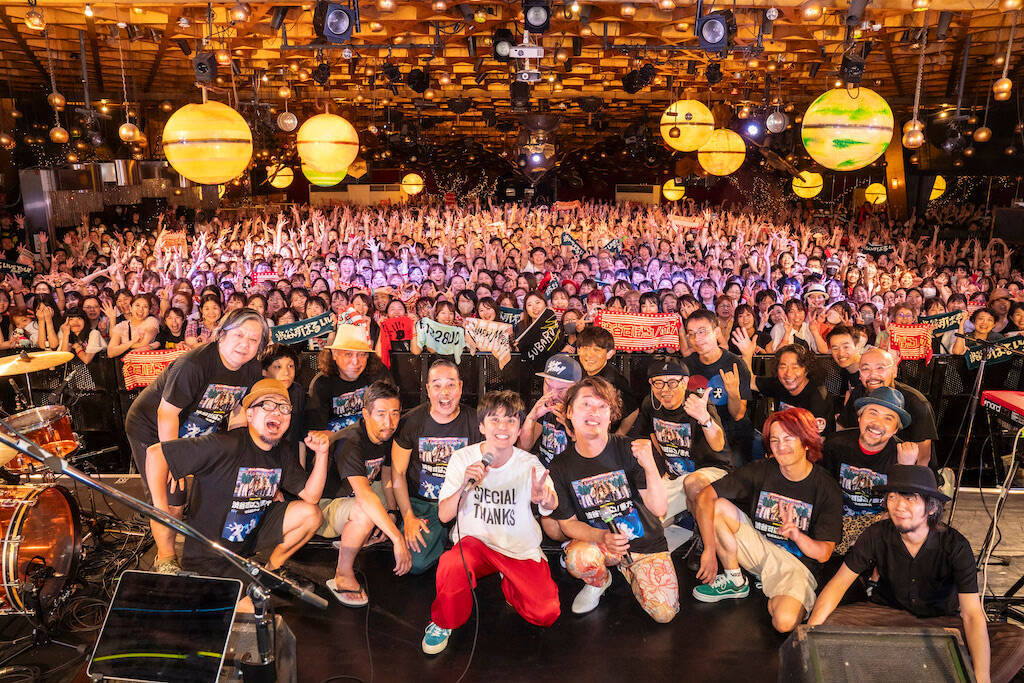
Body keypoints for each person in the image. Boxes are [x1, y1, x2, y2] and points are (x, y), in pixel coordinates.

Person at [808, 465, 1024, 683]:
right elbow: (838, 584)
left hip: (941, 625)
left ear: (931, 508)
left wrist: (982, 677)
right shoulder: (876, 534)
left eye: (910, 498)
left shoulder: (955, 546)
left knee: (1015, 640)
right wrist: (809, 636)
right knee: (829, 623)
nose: (899, 506)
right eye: (892, 497)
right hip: (885, 617)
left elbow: (971, 614)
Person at [144, 379, 330, 606]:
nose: (277, 412)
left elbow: (311, 496)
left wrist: (322, 454)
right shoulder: (225, 445)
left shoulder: (282, 451)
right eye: (267, 405)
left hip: (248, 544)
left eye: (284, 407)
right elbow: (156, 454)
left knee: (311, 514)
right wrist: (160, 507)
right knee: (248, 613)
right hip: (210, 557)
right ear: (250, 414)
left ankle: (270, 571)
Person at [124, 308, 269, 573]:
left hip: (194, 430)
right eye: (239, 335)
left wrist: (238, 450)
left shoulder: (251, 369)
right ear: (222, 334)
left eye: (253, 339)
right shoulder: (194, 364)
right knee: (169, 498)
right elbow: (167, 413)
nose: (245, 344)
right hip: (153, 427)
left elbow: (239, 411)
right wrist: (173, 460)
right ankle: (165, 558)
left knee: (193, 495)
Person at [421, 391, 561, 655]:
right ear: (482, 426)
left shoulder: (529, 464)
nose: (502, 427)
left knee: (546, 613)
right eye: (494, 419)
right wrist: (465, 486)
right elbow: (444, 516)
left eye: (510, 420)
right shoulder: (463, 458)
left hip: (517, 547)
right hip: (476, 544)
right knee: (451, 564)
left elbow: (551, 502)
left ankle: (510, 583)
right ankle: (443, 621)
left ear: (519, 429)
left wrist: (543, 497)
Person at [692, 407, 842, 633]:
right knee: (718, 506)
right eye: (774, 440)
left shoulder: (826, 488)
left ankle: (776, 587)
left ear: (806, 442)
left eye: (789, 438)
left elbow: (823, 554)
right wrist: (709, 549)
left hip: (796, 566)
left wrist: (797, 535)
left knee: (784, 622)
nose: (780, 446)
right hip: (759, 550)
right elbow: (705, 496)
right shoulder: (761, 470)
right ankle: (735, 580)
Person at [547, 376, 678, 623]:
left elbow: (659, 507)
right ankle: (599, 581)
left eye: (602, 406)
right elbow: (568, 524)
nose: (594, 412)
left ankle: (632, 571)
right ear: (570, 412)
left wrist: (650, 465)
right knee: (577, 558)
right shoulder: (560, 466)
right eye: (586, 404)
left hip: (644, 544)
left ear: (611, 415)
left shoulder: (629, 449)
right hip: (600, 543)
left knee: (664, 615)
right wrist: (602, 537)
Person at [320, 381, 411, 607]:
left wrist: (392, 512)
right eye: (381, 414)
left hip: (355, 495)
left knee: (395, 491)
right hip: (326, 506)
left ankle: (357, 537)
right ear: (365, 413)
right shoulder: (350, 440)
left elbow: (387, 474)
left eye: (394, 413)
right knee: (366, 511)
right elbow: (363, 495)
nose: (389, 422)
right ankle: (342, 573)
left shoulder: (385, 435)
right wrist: (397, 538)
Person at [391, 359, 481, 574]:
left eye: (451, 384)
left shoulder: (477, 421)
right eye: (437, 385)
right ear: (428, 389)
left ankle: (450, 539)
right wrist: (408, 516)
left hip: (464, 501)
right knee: (416, 561)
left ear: (460, 387)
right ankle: (443, 538)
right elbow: (398, 473)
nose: (445, 393)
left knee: (482, 556)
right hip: (424, 505)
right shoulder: (411, 422)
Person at [629, 358, 729, 531]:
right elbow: (652, 438)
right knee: (644, 526)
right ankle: (681, 513)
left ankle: (702, 537)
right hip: (675, 477)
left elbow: (718, 445)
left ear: (685, 382)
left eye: (672, 382)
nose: (665, 389)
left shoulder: (697, 403)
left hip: (711, 471)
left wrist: (704, 418)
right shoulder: (650, 403)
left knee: (693, 483)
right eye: (658, 383)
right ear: (651, 384)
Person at [823, 386, 920, 554]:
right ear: (859, 417)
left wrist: (906, 469)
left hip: (881, 525)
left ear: (895, 429)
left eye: (888, 418)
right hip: (838, 520)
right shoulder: (835, 445)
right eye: (872, 413)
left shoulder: (902, 455)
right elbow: (821, 490)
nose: (877, 423)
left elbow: (909, 507)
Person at [837, 347, 938, 467]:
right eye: (865, 369)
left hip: (905, 468)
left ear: (894, 371)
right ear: (860, 374)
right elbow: (842, 428)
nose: (873, 375)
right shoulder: (859, 392)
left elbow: (923, 458)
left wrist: (909, 474)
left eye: (880, 368)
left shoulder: (917, 403)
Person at [684, 310, 753, 465]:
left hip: (733, 434)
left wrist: (733, 393)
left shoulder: (735, 364)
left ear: (716, 332)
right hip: (700, 433)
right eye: (692, 334)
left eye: (702, 332)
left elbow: (738, 415)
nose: (697, 339)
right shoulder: (686, 365)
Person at [731, 337, 835, 434]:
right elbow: (750, 382)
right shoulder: (780, 384)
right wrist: (747, 355)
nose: (788, 373)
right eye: (783, 367)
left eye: (795, 367)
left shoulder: (819, 397)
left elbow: (818, 440)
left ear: (806, 370)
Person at [306, 323, 391, 432]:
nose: (355, 362)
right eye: (348, 354)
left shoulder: (378, 373)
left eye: (361, 354)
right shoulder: (321, 384)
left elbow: (390, 412)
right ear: (334, 354)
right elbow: (317, 431)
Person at [574, 325, 638, 434]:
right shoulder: (579, 373)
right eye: (585, 348)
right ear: (579, 350)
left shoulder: (614, 381)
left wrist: (618, 436)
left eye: (596, 350)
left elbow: (633, 411)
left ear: (609, 353)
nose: (589, 355)